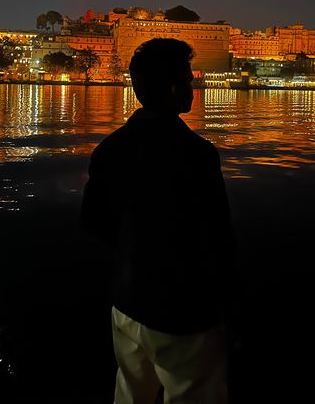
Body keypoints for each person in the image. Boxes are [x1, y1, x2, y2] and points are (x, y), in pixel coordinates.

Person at [81, 38, 236, 403]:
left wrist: (136, 252)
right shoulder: (197, 155)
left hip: (127, 302)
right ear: (172, 88)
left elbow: (93, 224)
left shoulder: (110, 149)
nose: (194, 89)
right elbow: (218, 239)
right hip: (182, 311)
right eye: (189, 80)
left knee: (130, 392)